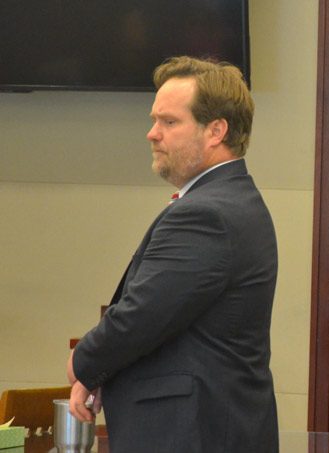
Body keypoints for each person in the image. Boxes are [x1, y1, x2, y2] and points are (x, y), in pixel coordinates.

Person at [66, 56, 279, 453]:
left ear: (216, 130)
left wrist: (84, 362)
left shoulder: (207, 213)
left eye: (169, 122)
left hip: (193, 434)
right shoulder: (230, 200)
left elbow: (142, 316)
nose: (152, 134)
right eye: (154, 120)